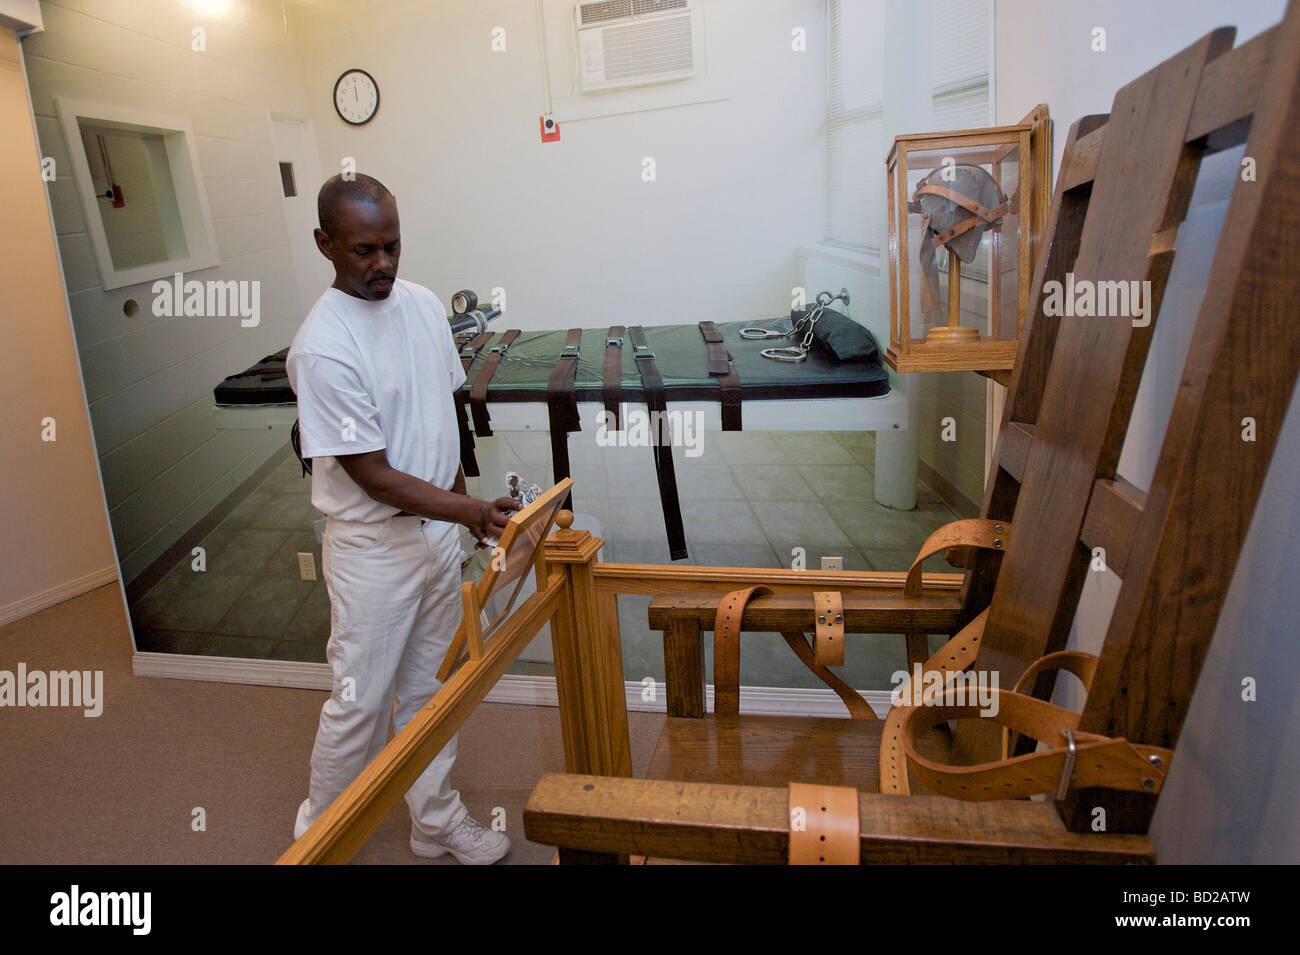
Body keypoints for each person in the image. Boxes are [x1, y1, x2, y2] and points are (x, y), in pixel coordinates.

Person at [286, 173, 518, 864]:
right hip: (372, 554)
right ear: (326, 244)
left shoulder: (417, 305)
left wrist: (464, 515)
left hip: (437, 537)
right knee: (359, 707)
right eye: (364, 250)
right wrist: (472, 509)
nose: (382, 263)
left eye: (392, 246)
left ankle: (435, 820)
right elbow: (376, 475)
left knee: (431, 693)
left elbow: (439, 419)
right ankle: (318, 842)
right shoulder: (323, 346)